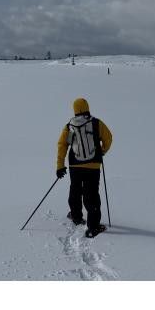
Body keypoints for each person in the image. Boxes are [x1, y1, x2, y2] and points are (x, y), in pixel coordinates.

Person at [56, 97, 113, 237]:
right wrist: (102, 152)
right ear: (87, 107)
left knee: (75, 189)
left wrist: (60, 166)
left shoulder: (70, 126)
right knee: (92, 193)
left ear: (75, 109)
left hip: (75, 165)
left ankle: (76, 216)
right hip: (93, 165)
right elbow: (108, 138)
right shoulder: (96, 123)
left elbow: (62, 145)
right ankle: (93, 226)